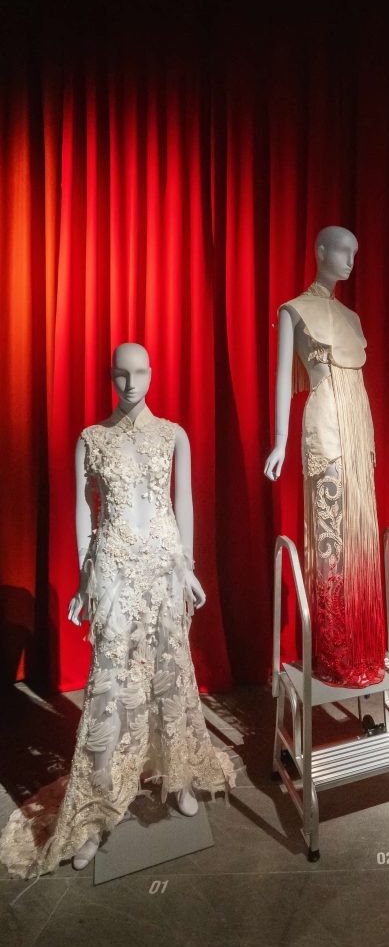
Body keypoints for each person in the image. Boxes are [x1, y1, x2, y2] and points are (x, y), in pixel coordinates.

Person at [0, 343, 234, 877]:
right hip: (113, 569)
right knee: (109, 687)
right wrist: (85, 579)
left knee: (170, 672)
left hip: (164, 567)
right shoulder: (92, 439)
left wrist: (188, 567)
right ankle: (93, 813)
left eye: (140, 373)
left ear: (152, 374)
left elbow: (183, 504)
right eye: (121, 375)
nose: (131, 384)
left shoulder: (173, 435)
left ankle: (177, 776)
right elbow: (84, 510)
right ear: (110, 377)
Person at [264, 226, 385, 687]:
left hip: (359, 428)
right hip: (325, 424)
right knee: (331, 536)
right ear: (319, 251)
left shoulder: (351, 317)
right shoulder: (294, 310)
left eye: (356, 252)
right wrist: (280, 440)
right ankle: (334, 652)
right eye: (342, 250)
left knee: (359, 535)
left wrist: (368, 441)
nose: (350, 260)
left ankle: (363, 647)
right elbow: (283, 379)